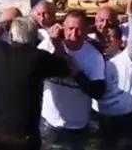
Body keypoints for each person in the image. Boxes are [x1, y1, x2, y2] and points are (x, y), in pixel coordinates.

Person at [0, 17, 76, 150]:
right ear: (35, 37)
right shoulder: (39, 58)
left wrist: (3, 25)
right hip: (24, 135)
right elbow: (69, 68)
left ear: (11, 35)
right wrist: (57, 43)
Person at [38, 11, 106, 144]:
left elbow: (98, 92)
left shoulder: (93, 57)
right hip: (49, 121)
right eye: (70, 29)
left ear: (86, 31)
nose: (73, 35)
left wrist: (78, 75)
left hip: (76, 125)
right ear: (63, 28)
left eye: (78, 30)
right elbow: (33, 70)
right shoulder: (47, 46)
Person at [93, 0, 132, 143]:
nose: (106, 41)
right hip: (101, 119)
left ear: (121, 41)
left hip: (128, 119)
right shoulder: (93, 58)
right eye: (103, 38)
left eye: (111, 38)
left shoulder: (128, 57)